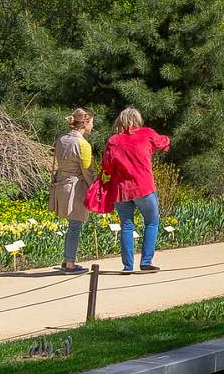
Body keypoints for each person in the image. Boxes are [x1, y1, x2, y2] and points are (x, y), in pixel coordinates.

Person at [101, 108, 171, 274]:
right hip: (143, 187)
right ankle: (146, 261)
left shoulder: (114, 140)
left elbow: (107, 166)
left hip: (122, 190)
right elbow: (164, 142)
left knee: (126, 225)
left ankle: (127, 266)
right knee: (152, 222)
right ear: (138, 120)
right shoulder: (147, 134)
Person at [50, 109, 95, 273]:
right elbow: (87, 170)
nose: (92, 126)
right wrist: (95, 186)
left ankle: (67, 260)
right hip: (76, 188)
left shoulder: (61, 139)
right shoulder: (83, 144)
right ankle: (70, 263)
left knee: (72, 226)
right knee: (75, 226)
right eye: (91, 123)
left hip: (62, 184)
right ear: (84, 123)